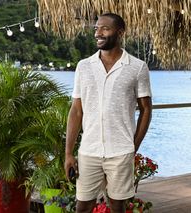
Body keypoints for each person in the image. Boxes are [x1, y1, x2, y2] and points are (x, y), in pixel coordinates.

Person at [64, 13, 152, 213]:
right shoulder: (83, 67)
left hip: (120, 151)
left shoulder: (137, 68)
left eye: (105, 28)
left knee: (117, 206)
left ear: (120, 32)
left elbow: (146, 109)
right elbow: (76, 111)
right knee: (83, 205)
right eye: (96, 28)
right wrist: (68, 152)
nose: (98, 33)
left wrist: (133, 146)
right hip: (89, 150)